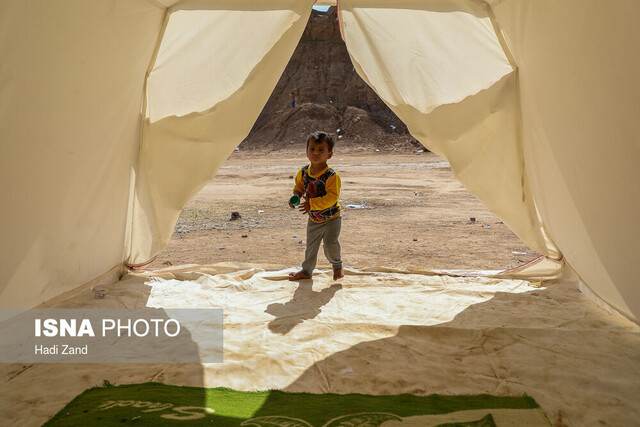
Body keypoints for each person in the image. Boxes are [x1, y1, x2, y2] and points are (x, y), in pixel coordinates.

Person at [289, 132, 344, 281]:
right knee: (311, 247)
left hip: (332, 218)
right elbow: (300, 185)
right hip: (314, 218)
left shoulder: (332, 176)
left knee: (330, 244)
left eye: (321, 150)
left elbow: (332, 198)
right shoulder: (304, 172)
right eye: (312, 149)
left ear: (329, 154)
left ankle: (337, 265)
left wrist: (311, 204)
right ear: (306, 151)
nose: (316, 153)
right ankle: (306, 271)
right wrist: (296, 195)